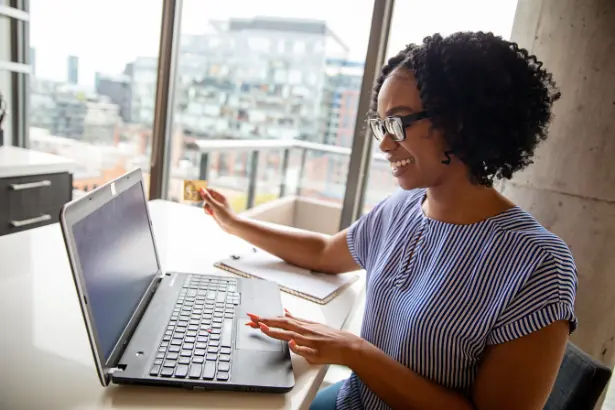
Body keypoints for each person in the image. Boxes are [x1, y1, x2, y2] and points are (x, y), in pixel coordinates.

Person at [200, 31, 577, 410]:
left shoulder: (539, 265)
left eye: (398, 123)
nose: (383, 144)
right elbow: (324, 252)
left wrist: (354, 352)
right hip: (354, 401)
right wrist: (233, 223)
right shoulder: (403, 207)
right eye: (381, 125)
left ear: (460, 121)